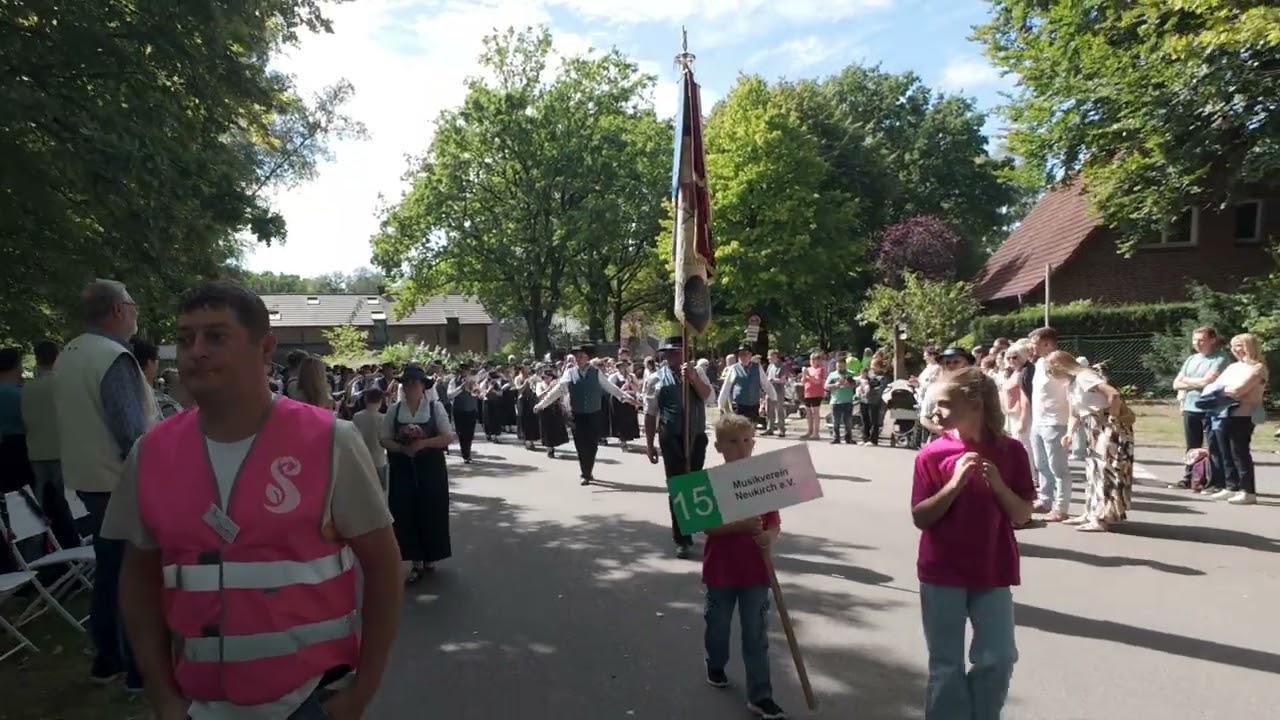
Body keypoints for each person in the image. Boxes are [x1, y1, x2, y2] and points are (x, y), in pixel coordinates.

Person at [103, 281, 402, 720]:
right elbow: (138, 580)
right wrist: (162, 695)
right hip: (197, 703)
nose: (196, 351)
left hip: (311, 700)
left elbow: (384, 567)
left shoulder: (331, 441)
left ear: (265, 348)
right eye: (185, 339)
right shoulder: (150, 453)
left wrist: (363, 690)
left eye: (216, 336)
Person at [911, 367, 1034, 720]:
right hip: (942, 571)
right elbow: (921, 517)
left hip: (992, 569)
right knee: (946, 665)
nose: (936, 413)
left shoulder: (1010, 451)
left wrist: (997, 484)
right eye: (935, 404)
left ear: (976, 404)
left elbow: (1022, 514)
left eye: (945, 404)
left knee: (998, 657)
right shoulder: (932, 454)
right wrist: (954, 485)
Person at [54, 279, 156, 690]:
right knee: (132, 576)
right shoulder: (113, 356)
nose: (135, 312)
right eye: (132, 304)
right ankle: (134, 665)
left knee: (111, 568)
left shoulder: (70, 352)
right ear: (117, 310)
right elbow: (131, 431)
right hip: (120, 481)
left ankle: (108, 657)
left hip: (87, 478)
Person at [700, 413, 787, 720]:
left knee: (756, 634)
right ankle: (715, 663)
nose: (742, 447)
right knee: (718, 625)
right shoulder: (711, 481)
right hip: (721, 570)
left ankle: (761, 696)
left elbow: (774, 522)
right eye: (734, 442)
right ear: (719, 447)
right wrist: (738, 526)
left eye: (748, 440)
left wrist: (768, 536)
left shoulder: (762, 481)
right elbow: (707, 526)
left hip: (756, 572)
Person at [382, 364, 454, 581]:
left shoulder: (434, 407)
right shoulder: (394, 410)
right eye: (408, 382)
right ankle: (416, 561)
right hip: (403, 468)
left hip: (430, 467)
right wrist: (401, 447)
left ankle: (431, 555)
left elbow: (447, 436)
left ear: (423, 386)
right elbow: (384, 438)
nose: (411, 386)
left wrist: (423, 443)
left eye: (415, 382)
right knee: (405, 511)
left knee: (431, 510)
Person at [1048, 352, 1134, 532]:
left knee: (1106, 472)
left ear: (1059, 365)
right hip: (1092, 428)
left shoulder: (1084, 377)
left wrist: (1112, 420)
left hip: (1106, 426)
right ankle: (1091, 512)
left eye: (1050, 369)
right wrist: (1069, 434)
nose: (1049, 373)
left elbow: (1113, 394)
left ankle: (1101, 518)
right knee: (1093, 471)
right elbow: (1074, 414)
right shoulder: (1071, 385)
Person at [644, 336, 713, 560]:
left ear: (686, 353)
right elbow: (650, 413)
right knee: (677, 486)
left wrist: (693, 378)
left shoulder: (697, 372)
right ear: (665, 355)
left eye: (679, 351)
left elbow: (708, 397)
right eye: (671, 352)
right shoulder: (655, 378)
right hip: (671, 437)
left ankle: (695, 525)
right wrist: (649, 445)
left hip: (696, 436)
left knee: (694, 483)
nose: (675, 356)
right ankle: (682, 538)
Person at [535, 344, 637, 485]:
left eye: (581, 356)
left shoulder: (596, 372)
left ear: (587, 357)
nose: (578, 359)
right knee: (580, 445)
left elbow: (610, 387)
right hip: (576, 415)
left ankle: (588, 469)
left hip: (594, 414)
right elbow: (558, 390)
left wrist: (627, 398)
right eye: (576, 356)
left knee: (592, 444)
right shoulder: (570, 373)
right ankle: (585, 473)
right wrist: (542, 404)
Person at [1172, 327, 1230, 493]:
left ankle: (1215, 481)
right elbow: (1176, 383)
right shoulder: (1191, 359)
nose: (1197, 343)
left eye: (1201, 340)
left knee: (1214, 445)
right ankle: (1190, 477)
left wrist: (1188, 381)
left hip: (1211, 408)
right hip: (1191, 407)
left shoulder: (1220, 358)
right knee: (1192, 445)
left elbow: (1208, 382)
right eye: (1195, 340)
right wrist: (1196, 382)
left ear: (1212, 340)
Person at [1026, 327, 1072, 521]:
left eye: (1035, 343)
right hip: (1038, 422)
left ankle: (1060, 508)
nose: (1032, 347)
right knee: (1041, 464)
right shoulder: (1038, 363)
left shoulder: (1060, 362)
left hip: (1055, 422)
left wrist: (1071, 425)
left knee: (1058, 468)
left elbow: (1071, 390)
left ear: (1047, 344)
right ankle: (1045, 500)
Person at [717, 346, 777, 424]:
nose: (744, 357)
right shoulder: (733, 369)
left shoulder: (757, 367)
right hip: (739, 404)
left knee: (751, 426)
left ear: (750, 355)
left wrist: (773, 397)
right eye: (741, 355)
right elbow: (726, 386)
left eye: (746, 354)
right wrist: (721, 404)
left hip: (753, 403)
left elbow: (765, 383)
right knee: (740, 426)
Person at [353, 388, 389, 495]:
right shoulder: (383, 418)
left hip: (361, 459)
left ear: (365, 400)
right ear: (380, 401)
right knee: (380, 492)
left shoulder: (357, 417)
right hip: (379, 460)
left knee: (362, 492)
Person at [448, 364, 481, 463]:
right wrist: (460, 388)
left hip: (472, 410)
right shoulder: (454, 381)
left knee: (470, 433)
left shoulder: (473, 380)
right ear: (460, 372)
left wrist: (475, 389)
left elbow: (478, 394)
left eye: (468, 371)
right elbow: (449, 395)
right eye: (464, 371)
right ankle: (465, 454)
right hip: (459, 410)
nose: (466, 373)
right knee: (461, 433)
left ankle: (467, 453)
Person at [825, 358, 857, 444]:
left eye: (842, 366)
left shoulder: (850, 374)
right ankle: (836, 438)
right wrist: (835, 385)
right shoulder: (832, 375)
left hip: (847, 401)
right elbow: (826, 386)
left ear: (845, 365)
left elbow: (855, 385)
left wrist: (849, 385)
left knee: (848, 421)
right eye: (838, 366)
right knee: (836, 421)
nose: (840, 367)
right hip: (835, 401)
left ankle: (848, 438)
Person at [762, 350, 790, 438]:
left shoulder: (782, 366)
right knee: (769, 410)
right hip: (769, 390)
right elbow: (766, 377)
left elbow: (783, 380)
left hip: (778, 391)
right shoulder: (770, 366)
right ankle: (770, 428)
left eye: (771, 357)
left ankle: (781, 429)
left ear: (776, 357)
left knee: (779, 410)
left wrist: (772, 379)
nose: (769, 359)